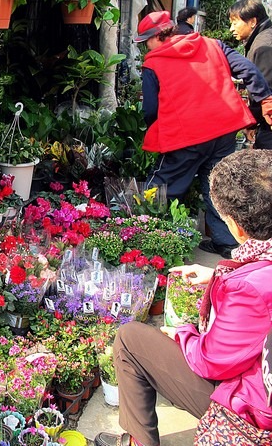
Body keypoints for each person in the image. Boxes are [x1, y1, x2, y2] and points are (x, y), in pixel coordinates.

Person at [95, 149, 272, 446]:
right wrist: (219, 276)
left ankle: (139, 441)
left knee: (129, 339)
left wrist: (183, 334)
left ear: (238, 228)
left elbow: (211, 363)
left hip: (251, 410)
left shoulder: (250, 287)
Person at [134, 10, 272, 259]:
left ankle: (144, 237)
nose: (146, 48)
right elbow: (248, 69)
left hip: (185, 133)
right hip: (224, 129)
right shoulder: (213, 45)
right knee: (216, 183)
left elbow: (150, 110)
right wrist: (264, 98)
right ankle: (226, 243)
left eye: (146, 42)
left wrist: (158, 126)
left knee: (163, 185)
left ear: (156, 37)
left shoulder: (153, 62)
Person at [229, 0, 272, 149]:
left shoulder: (263, 46)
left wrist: (252, 121)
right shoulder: (263, 38)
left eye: (235, 23)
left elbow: (263, 90)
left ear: (253, 21)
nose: (231, 29)